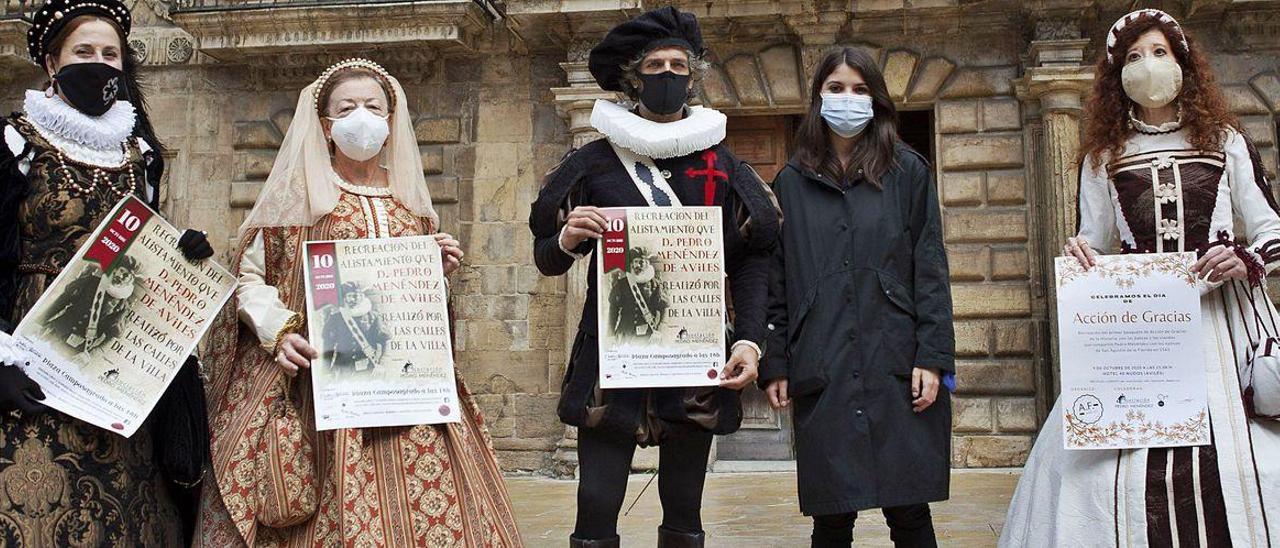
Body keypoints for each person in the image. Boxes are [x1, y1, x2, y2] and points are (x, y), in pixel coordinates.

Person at [196, 58, 522, 547]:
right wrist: (279, 331)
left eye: (374, 106)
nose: (362, 116)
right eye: (347, 107)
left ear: (391, 123)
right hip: (324, 384)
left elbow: (411, 296)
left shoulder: (409, 203)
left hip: (407, 386)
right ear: (326, 125)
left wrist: (438, 271)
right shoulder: (295, 196)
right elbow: (249, 277)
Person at [1001, 9, 1280, 546]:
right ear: (1116, 76)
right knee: (1100, 477)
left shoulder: (1226, 140)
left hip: (1225, 320)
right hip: (1143, 329)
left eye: (1159, 53)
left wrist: (1243, 258)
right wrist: (1082, 253)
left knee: (1249, 465)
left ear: (1182, 64)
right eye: (1133, 57)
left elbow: (1272, 229)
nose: (1148, 65)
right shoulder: (1104, 156)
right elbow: (1095, 242)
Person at [528, 7, 780, 547]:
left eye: (678, 64)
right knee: (596, 505)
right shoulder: (593, 162)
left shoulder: (721, 164)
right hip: (611, 358)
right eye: (655, 65)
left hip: (693, 358)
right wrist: (569, 237)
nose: (667, 74)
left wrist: (752, 342)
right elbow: (547, 256)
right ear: (632, 76)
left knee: (685, 509)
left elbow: (752, 259)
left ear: (693, 76)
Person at [0, 0, 214, 543]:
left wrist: (181, 249)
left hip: (113, 356)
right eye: (84, 51)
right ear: (52, 63)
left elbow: (142, 253)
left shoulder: (138, 154)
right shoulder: (14, 144)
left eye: (110, 53)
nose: (99, 62)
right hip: (32, 345)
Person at [759, 47, 953, 548]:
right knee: (832, 514)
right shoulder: (790, 183)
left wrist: (932, 357)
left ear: (877, 99)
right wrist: (776, 361)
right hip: (824, 358)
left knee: (909, 508)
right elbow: (778, 280)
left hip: (896, 358)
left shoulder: (907, 172)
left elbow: (929, 269)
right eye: (836, 88)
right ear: (818, 98)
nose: (848, 99)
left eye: (860, 89)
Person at [40, 256, 141, 354]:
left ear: (130, 281)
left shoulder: (122, 306)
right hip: (56, 329)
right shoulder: (90, 282)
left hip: (74, 348)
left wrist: (89, 354)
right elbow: (61, 301)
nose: (122, 277)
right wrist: (40, 321)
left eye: (128, 276)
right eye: (122, 271)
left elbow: (109, 337)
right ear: (115, 270)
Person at [319, 281, 387, 375]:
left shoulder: (373, 317)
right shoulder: (335, 318)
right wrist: (325, 371)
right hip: (342, 368)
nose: (356, 299)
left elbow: (384, 342)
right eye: (351, 295)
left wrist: (382, 364)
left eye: (359, 295)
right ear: (345, 298)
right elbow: (328, 346)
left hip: (367, 369)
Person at [608, 247, 667, 341]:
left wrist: (659, 331)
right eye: (635, 261)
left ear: (647, 264)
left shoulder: (655, 285)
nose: (637, 265)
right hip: (624, 335)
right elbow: (613, 309)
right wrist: (610, 334)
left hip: (647, 337)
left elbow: (664, 309)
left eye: (641, 262)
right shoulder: (622, 284)